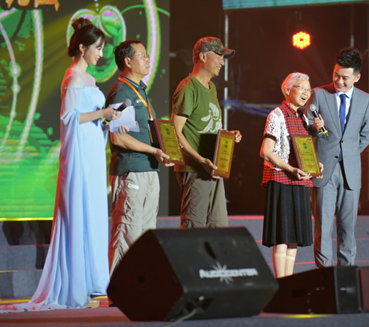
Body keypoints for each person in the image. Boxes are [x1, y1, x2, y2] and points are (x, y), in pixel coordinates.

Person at [16, 18, 122, 310]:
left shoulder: (88, 79)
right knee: (79, 212)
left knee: (93, 214)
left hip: (92, 152)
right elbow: (70, 118)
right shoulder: (73, 77)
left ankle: (93, 282)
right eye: (97, 48)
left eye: (101, 48)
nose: (101, 53)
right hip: (80, 156)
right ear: (83, 48)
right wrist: (101, 112)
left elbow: (89, 117)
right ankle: (77, 285)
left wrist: (108, 119)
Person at [106, 40, 174, 275]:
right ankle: (117, 287)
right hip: (131, 171)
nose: (148, 59)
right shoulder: (122, 92)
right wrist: (154, 151)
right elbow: (118, 137)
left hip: (149, 170)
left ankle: (139, 286)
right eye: (142, 55)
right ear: (128, 61)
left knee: (145, 236)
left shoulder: (139, 91)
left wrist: (162, 150)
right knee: (127, 233)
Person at [307, 48, 369, 268]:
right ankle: (325, 275)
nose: (339, 81)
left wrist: (349, 153)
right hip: (323, 168)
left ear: (357, 77)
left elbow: (367, 134)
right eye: (336, 75)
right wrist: (315, 129)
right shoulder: (319, 94)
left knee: (348, 228)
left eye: (345, 77)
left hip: (350, 170)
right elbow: (305, 130)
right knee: (323, 227)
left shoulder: (365, 100)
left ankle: (347, 275)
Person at [172, 37, 241, 228]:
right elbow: (175, 134)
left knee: (218, 228)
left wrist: (227, 136)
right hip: (195, 170)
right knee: (194, 229)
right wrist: (201, 161)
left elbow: (206, 126)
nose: (222, 62)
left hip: (212, 169)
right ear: (202, 57)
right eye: (219, 56)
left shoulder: (212, 88)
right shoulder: (188, 88)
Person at [260, 72, 323, 278]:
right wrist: (290, 169)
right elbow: (266, 151)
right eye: (302, 88)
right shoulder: (277, 115)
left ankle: (288, 283)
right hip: (281, 181)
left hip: (299, 182)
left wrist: (315, 166)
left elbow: (302, 152)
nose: (306, 93)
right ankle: (281, 284)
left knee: (293, 238)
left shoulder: (302, 117)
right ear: (287, 90)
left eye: (308, 89)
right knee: (282, 237)